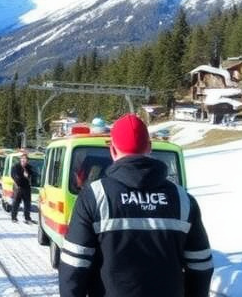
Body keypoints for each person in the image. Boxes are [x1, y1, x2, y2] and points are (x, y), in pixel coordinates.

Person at [59, 113, 212, 297]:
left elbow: (74, 266)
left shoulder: (94, 196)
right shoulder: (183, 199)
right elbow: (201, 264)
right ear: (149, 147)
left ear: (112, 150)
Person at [10, 152, 36, 224]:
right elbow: (14, 176)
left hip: (26, 188)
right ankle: (14, 217)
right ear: (20, 159)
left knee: (27, 203)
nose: (24, 161)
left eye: (26, 159)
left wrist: (28, 176)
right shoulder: (15, 167)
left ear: (27, 161)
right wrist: (23, 177)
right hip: (18, 187)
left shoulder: (29, 167)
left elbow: (33, 176)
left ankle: (27, 218)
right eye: (23, 159)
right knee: (16, 203)